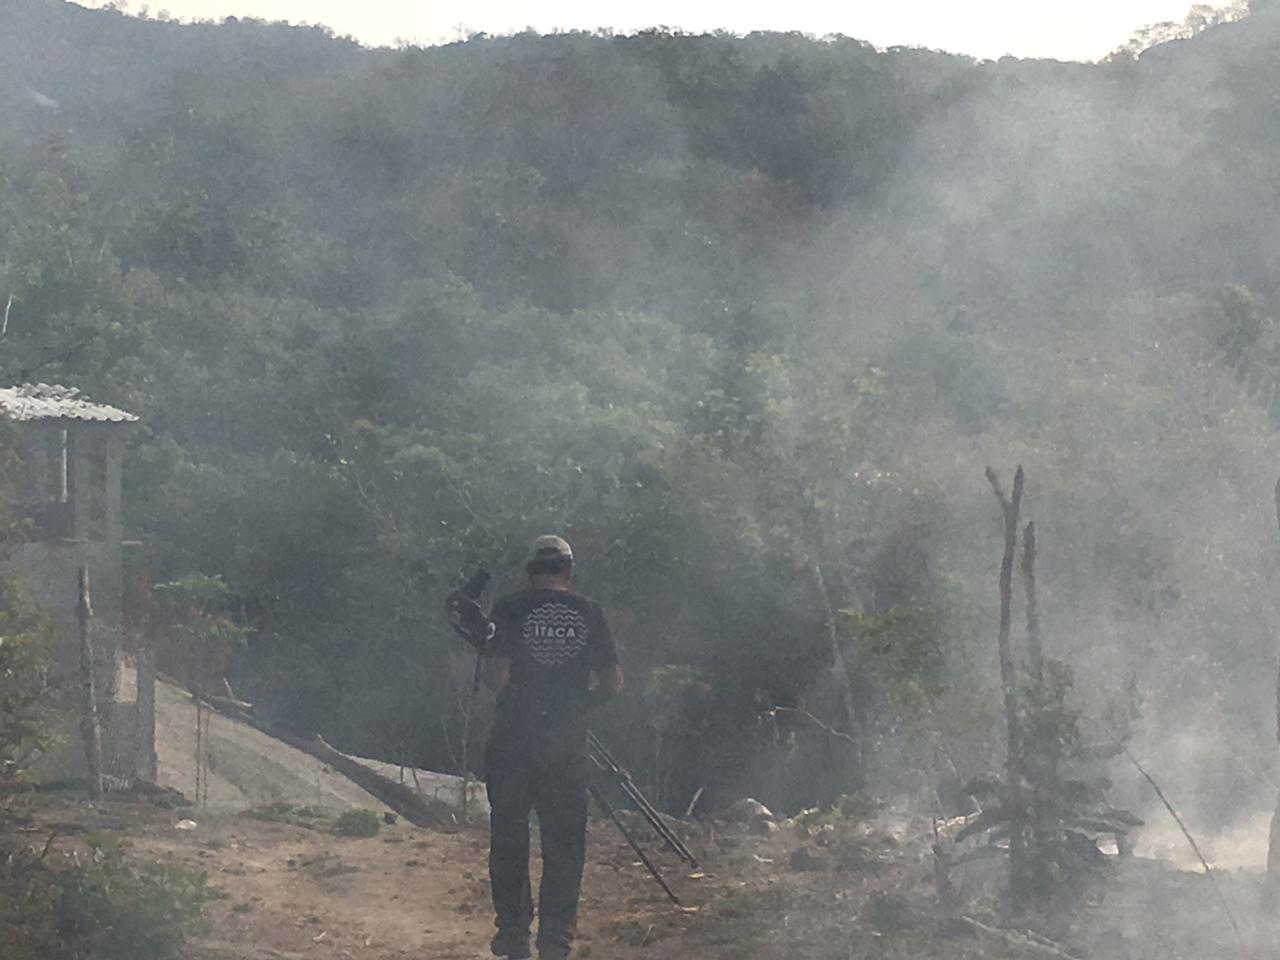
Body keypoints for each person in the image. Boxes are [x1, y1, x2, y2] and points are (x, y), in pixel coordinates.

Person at [480, 535, 624, 960]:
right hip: (565, 744)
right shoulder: (590, 613)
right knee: (564, 844)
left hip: (512, 740)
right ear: (569, 570)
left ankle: (514, 935)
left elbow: (495, 678)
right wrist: (576, 705)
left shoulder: (508, 608)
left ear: (531, 571)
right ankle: (556, 942)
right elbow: (613, 684)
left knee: (509, 836)